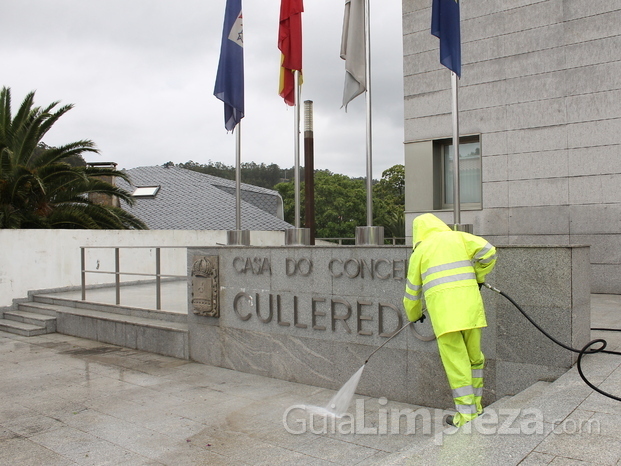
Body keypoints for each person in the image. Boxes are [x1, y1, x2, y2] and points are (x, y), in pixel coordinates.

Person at [403, 213, 496, 427]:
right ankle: (477, 408)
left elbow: (411, 294)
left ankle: (465, 416)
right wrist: (479, 275)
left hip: (446, 318)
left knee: (457, 365)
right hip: (471, 311)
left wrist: (415, 315)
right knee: (475, 359)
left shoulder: (421, 251)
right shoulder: (459, 238)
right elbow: (489, 252)